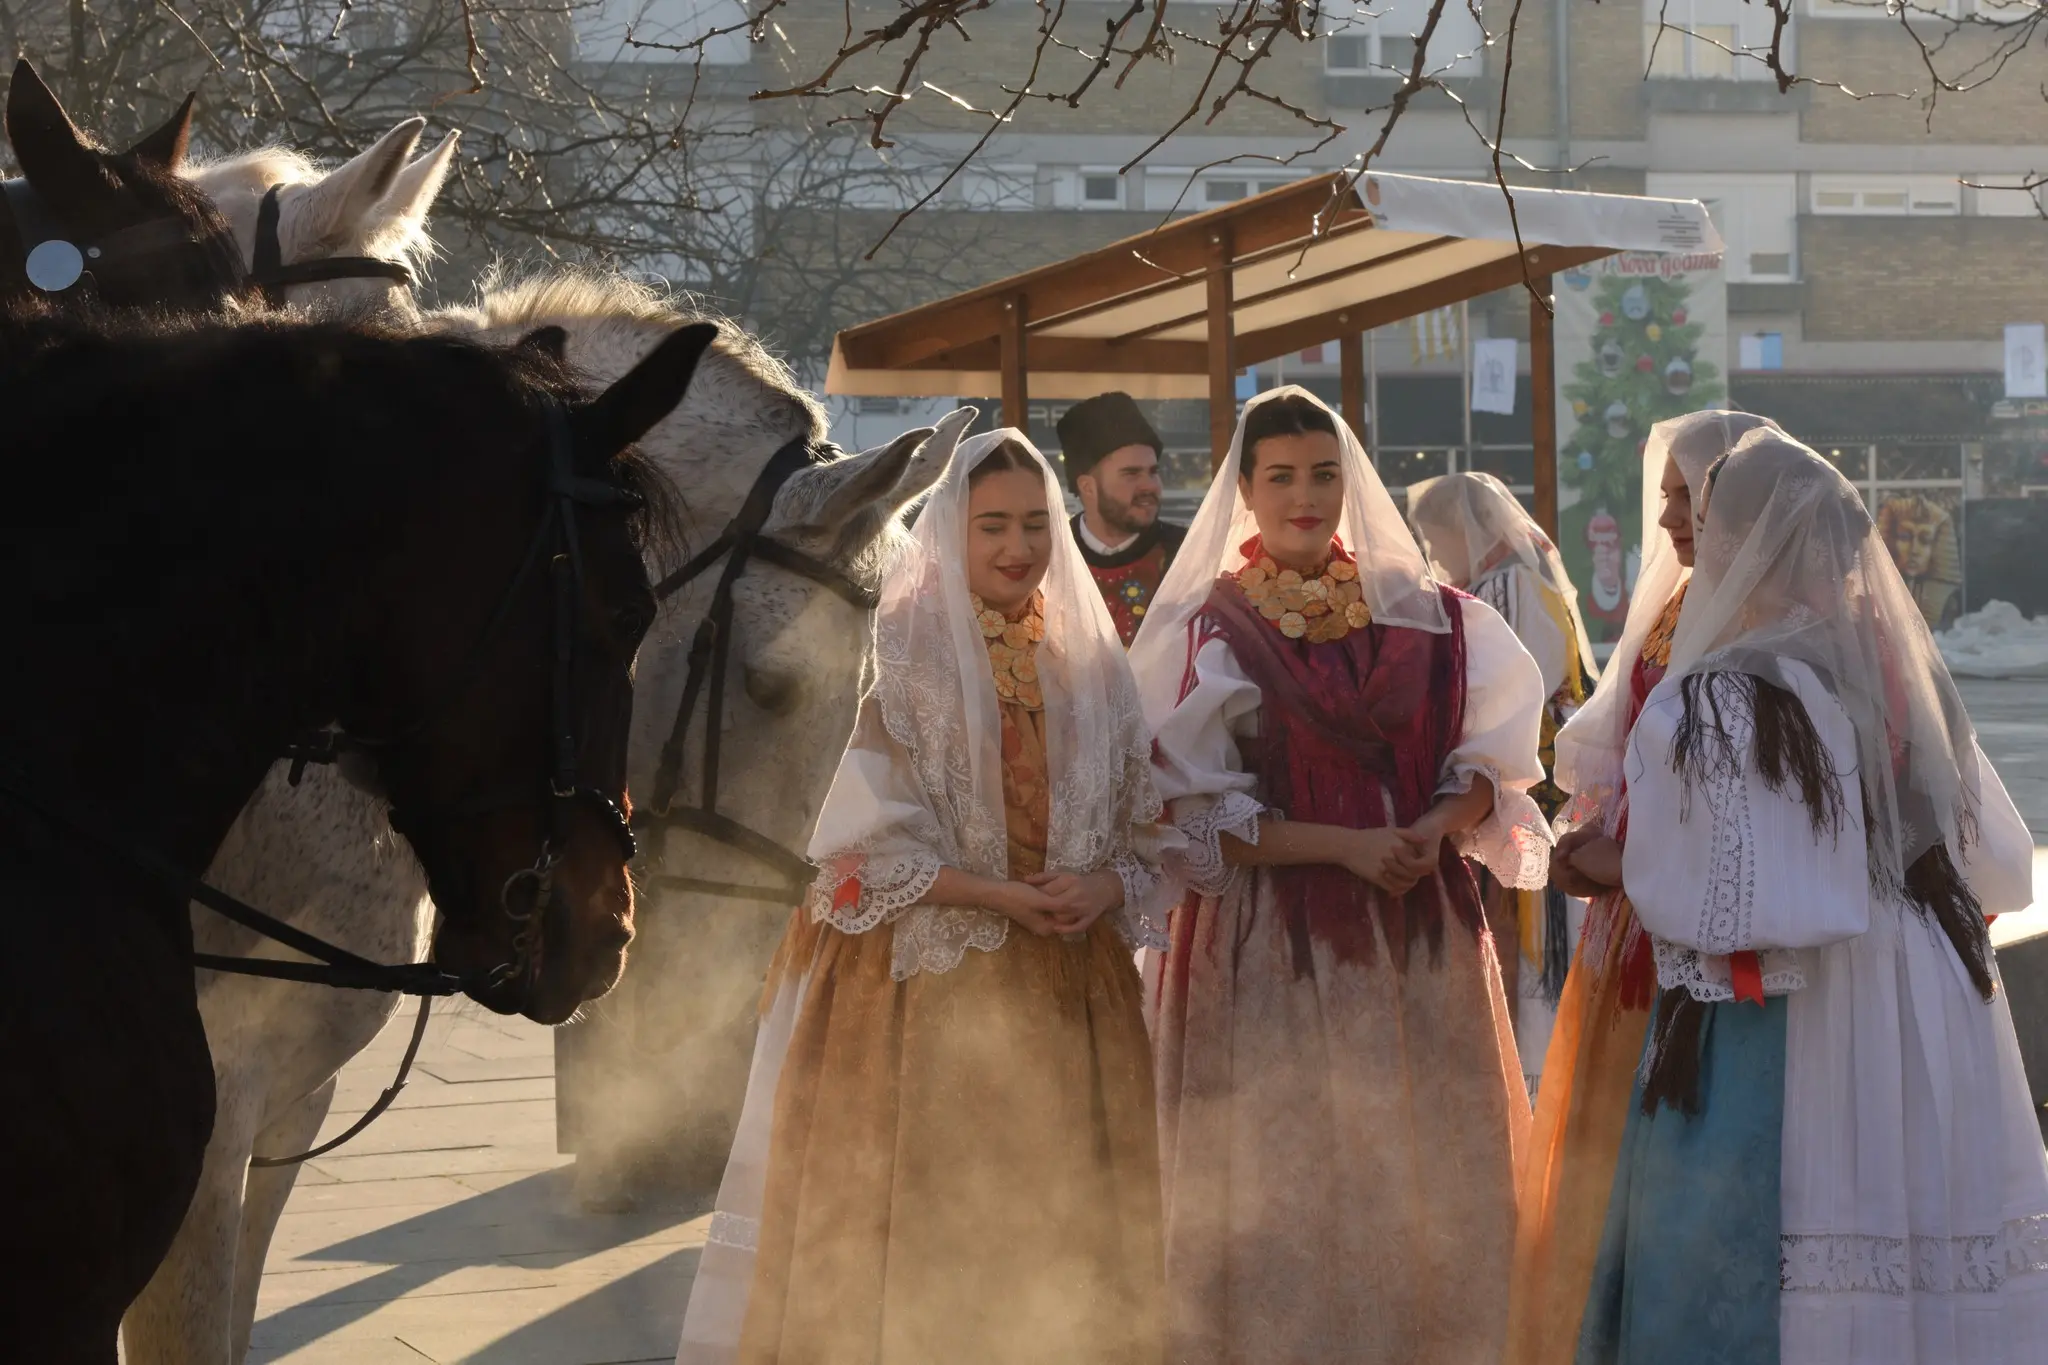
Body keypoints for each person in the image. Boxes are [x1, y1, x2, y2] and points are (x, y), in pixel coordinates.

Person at [674, 429, 1173, 1365]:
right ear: (951, 530)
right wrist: (998, 893)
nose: (1018, 546)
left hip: (1072, 991)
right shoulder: (895, 650)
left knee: (1060, 1229)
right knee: (930, 1231)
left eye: (1035, 524)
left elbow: (1145, 833)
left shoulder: (1091, 663)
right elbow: (849, 852)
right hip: (917, 990)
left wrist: (1103, 882)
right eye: (994, 526)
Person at [1574, 429, 2048, 1363]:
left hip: (1814, 999)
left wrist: (1609, 865)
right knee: (1924, 1216)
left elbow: (1733, 889)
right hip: (1926, 976)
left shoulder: (1723, 691)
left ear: (1735, 544)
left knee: (1817, 1209)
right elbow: (1993, 856)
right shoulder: (1903, 671)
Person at [1127, 386, 1551, 1364]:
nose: (1304, 496)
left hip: (1419, 930)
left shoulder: (1434, 618)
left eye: (1323, 473)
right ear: (1243, 490)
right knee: (1290, 1166)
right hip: (1272, 941)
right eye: (1279, 476)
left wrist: (1432, 826)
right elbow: (1196, 817)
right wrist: (1347, 846)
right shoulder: (1209, 629)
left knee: (1424, 1163)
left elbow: (1489, 768)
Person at [1502, 409, 1782, 1365]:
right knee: (1607, 1137)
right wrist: (1599, 841)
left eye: (1687, 494)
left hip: (1709, 924)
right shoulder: (1678, 604)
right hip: (1635, 915)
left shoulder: (1769, 616)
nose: (1666, 518)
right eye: (1664, 495)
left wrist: (1631, 861)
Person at [1409, 471, 1601, 1097]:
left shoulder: (1502, 589)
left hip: (1520, 786)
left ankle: (1527, 1084)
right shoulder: (1526, 584)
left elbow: (1501, 698)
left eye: (1439, 539)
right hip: (1539, 781)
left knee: (1523, 953)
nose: (1438, 554)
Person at [1057, 391, 1187, 644]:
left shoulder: (1186, 552)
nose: (1150, 486)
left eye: (1153, 472)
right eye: (1131, 474)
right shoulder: (1052, 554)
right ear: (1087, 487)